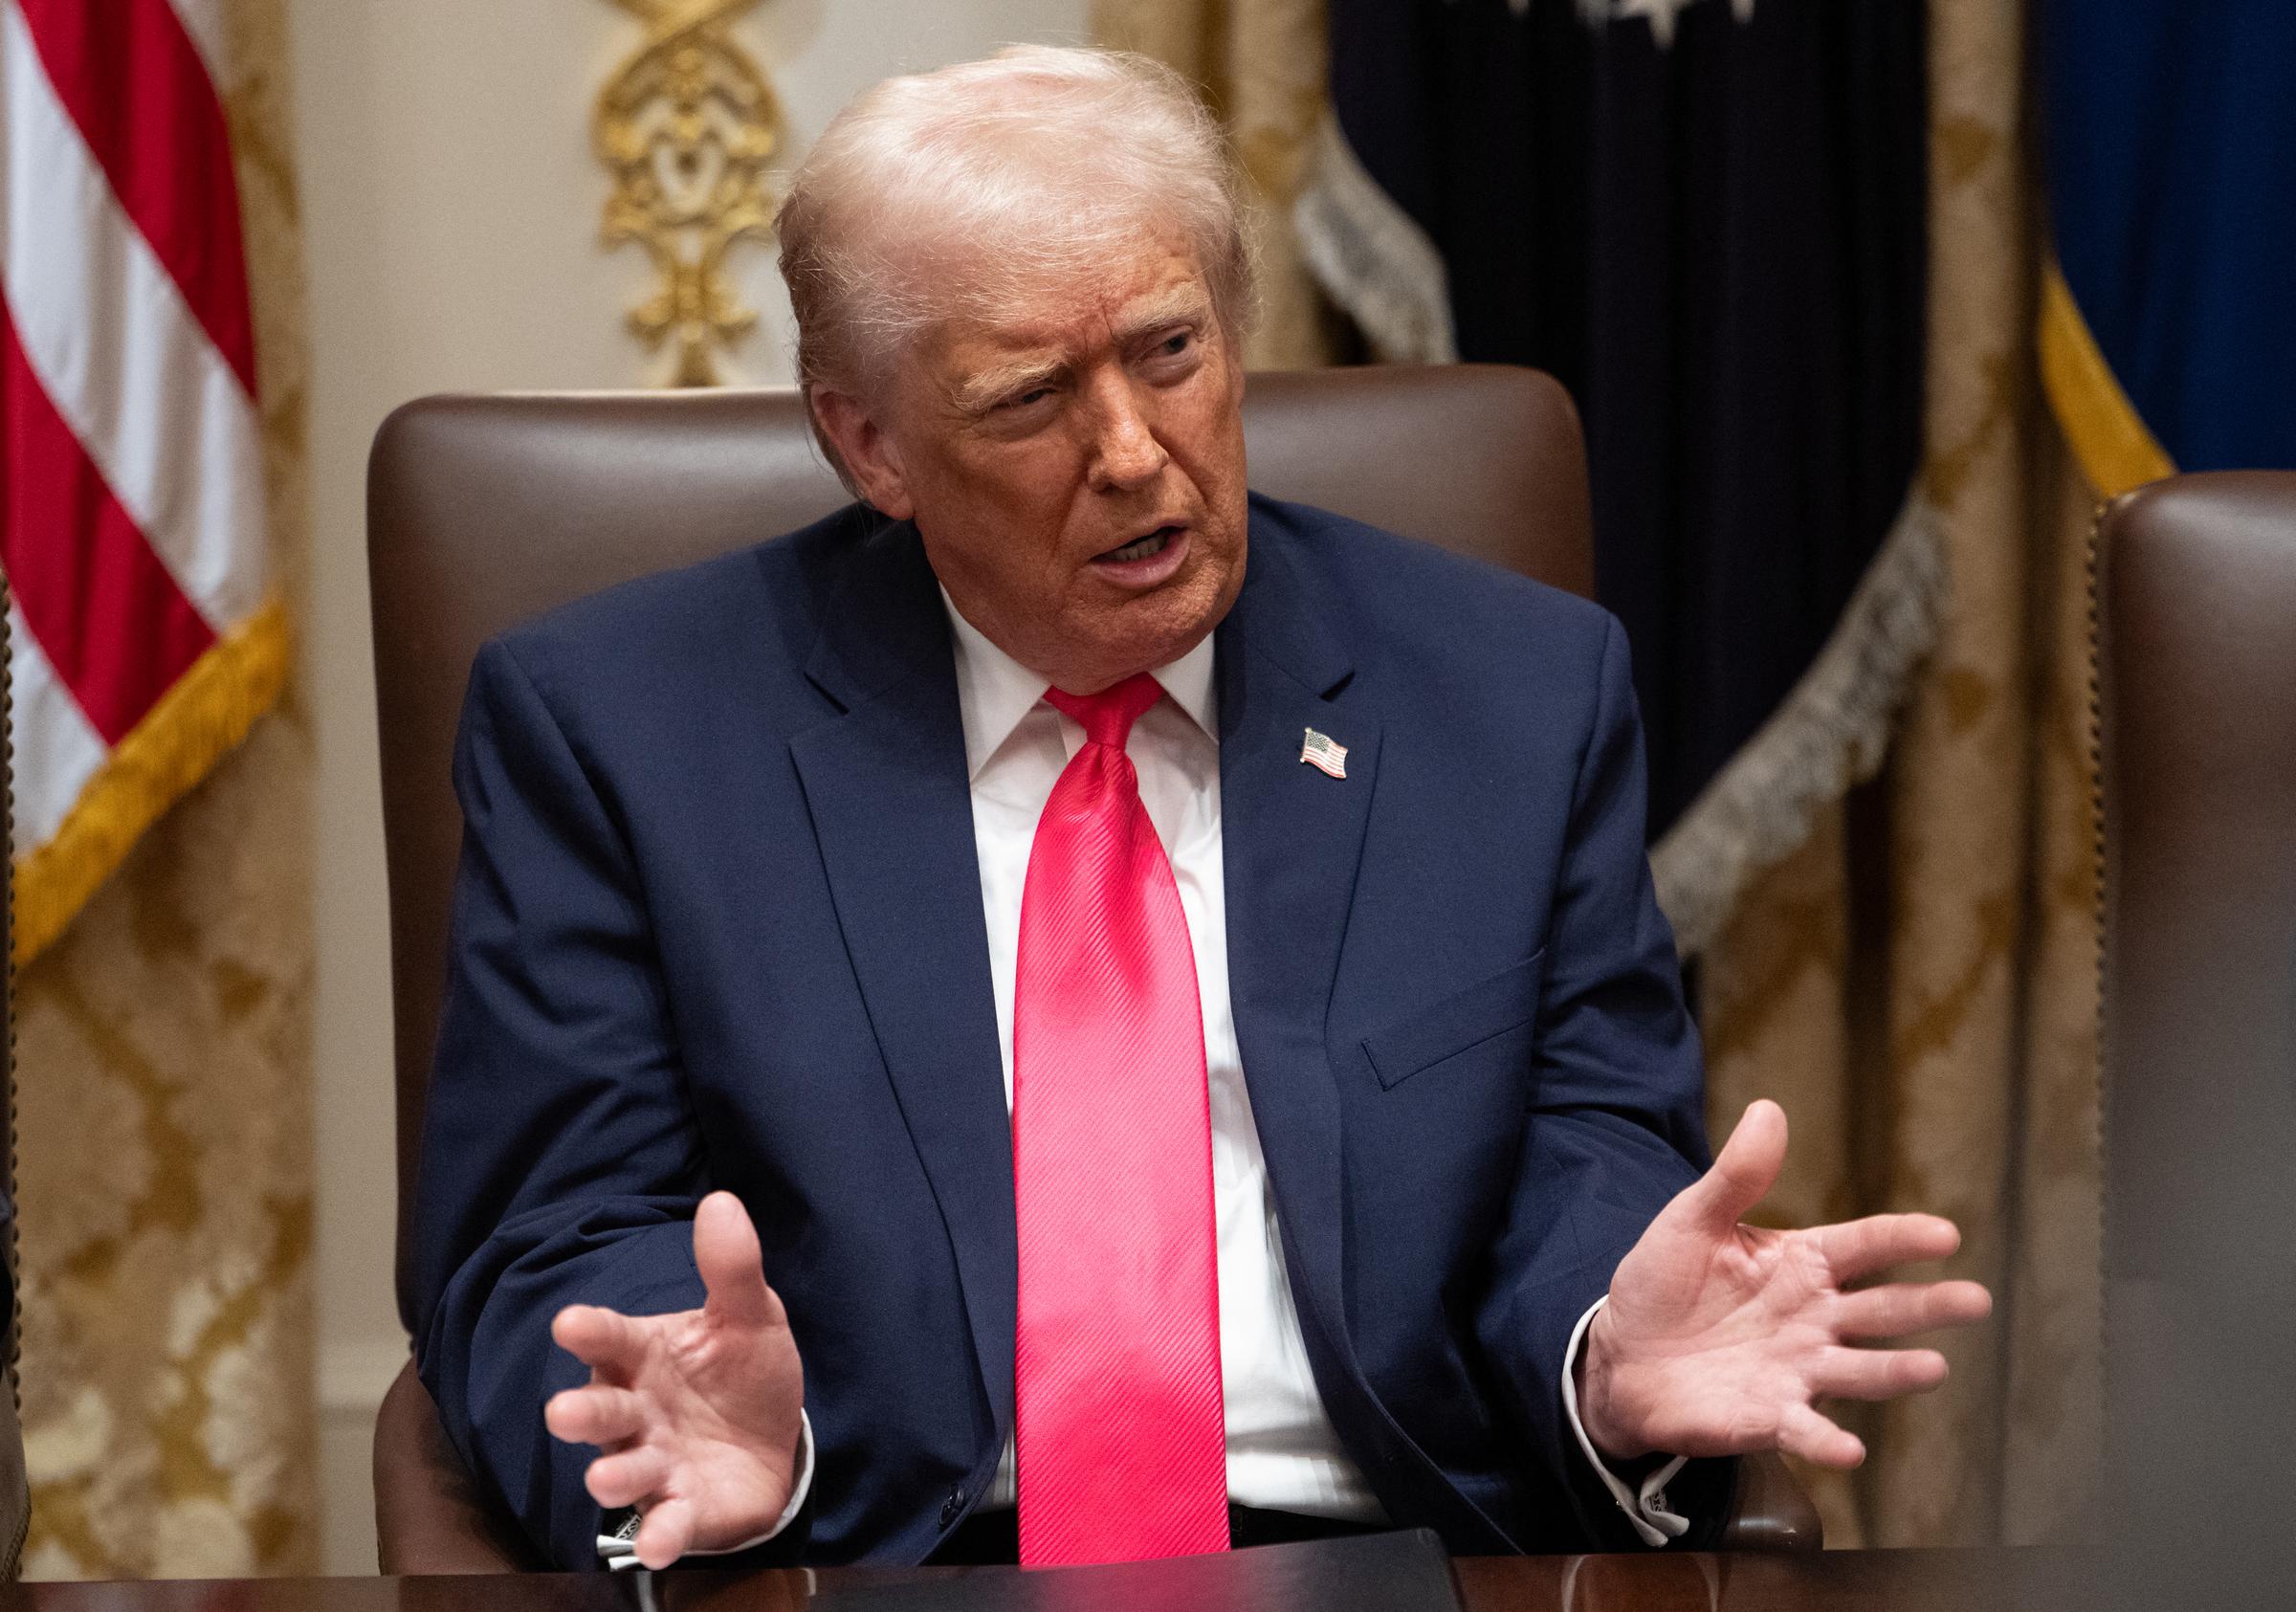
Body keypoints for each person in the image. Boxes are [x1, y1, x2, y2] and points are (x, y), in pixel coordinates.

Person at [408, 46, 1991, 1573]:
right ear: (869, 442)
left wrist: (1600, 1346)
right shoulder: (625, 731)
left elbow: (1584, 1148)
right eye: (1029, 398)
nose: (1132, 451)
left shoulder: (1511, 695)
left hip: (1389, 1544)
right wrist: (706, 1450)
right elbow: (550, 1231)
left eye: (1171, 351)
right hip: (872, 1549)